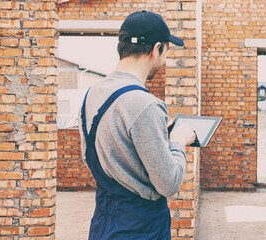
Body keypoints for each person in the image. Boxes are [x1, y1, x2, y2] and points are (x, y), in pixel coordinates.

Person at [79, 10, 196, 240]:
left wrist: (155, 134)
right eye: (166, 52)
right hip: (142, 229)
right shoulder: (146, 105)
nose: (163, 61)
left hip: (103, 224)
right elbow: (169, 183)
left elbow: (98, 154)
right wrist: (177, 141)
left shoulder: (92, 93)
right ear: (156, 49)